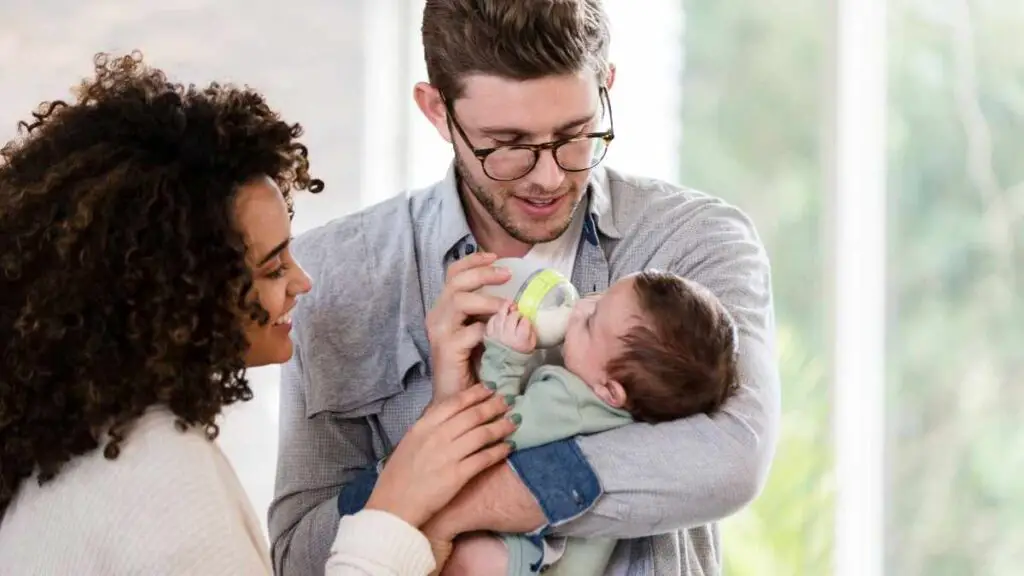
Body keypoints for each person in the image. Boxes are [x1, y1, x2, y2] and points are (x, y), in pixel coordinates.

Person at [269, 0, 781, 574]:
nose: (550, 177)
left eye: (574, 134)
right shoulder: (338, 273)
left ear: (605, 86)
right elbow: (298, 557)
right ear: (437, 112)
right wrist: (443, 421)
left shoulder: (691, 241)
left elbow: (731, 456)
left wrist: (445, 504)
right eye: (508, 142)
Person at [0, 52, 517, 576]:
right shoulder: (157, 476)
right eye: (273, 269)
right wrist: (395, 502)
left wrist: (423, 522)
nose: (303, 281)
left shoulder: (87, 440)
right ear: (185, 291)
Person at [443, 270, 741, 575]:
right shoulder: (640, 412)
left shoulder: (568, 401)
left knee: (468, 558)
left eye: (589, 322)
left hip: (525, 557)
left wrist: (503, 357)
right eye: (601, 297)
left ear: (609, 391)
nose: (580, 306)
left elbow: (494, 432)